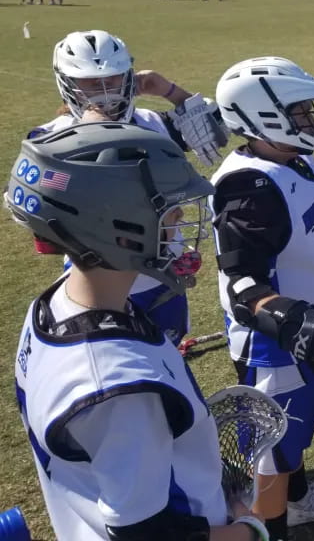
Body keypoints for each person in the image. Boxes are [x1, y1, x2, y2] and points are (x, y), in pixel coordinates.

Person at [9, 122, 268, 541]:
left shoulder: (55, 304)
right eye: (170, 210)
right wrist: (249, 531)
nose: (183, 223)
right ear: (121, 228)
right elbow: (147, 534)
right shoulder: (120, 389)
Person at [212, 57, 314, 539]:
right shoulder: (250, 187)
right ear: (264, 116)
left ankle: (296, 500)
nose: (310, 120)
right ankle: (272, 529)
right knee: (270, 453)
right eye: (299, 112)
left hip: (302, 325)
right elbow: (242, 286)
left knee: (291, 434)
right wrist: (298, 319)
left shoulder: (288, 160)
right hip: (274, 344)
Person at [28, 29, 228, 346]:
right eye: (92, 82)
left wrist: (168, 89)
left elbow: (217, 133)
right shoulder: (50, 138)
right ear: (67, 83)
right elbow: (43, 229)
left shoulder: (149, 121)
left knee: (167, 353)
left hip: (163, 274)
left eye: (115, 78)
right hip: (99, 281)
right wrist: (91, 135)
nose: (106, 91)